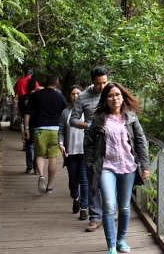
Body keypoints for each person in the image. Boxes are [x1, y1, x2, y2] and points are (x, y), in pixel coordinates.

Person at [84, 82, 150, 254]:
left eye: (118, 95)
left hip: (128, 166)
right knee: (108, 205)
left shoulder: (131, 117)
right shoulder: (98, 119)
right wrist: (91, 164)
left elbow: (141, 142)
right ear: (106, 99)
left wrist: (145, 166)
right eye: (111, 95)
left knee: (125, 207)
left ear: (123, 97)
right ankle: (111, 245)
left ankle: (121, 240)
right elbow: (89, 144)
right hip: (106, 166)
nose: (115, 98)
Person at [70, 66, 108, 232]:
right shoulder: (83, 97)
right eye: (99, 83)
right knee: (92, 180)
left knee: (110, 176)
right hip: (92, 143)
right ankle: (95, 218)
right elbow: (73, 120)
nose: (102, 87)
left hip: (111, 143)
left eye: (105, 82)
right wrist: (89, 125)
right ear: (92, 81)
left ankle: (110, 211)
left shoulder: (111, 91)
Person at [23, 75, 67, 194]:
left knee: (39, 155)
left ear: (45, 82)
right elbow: (65, 115)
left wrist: (26, 128)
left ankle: (41, 175)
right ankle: (49, 185)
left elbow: (27, 113)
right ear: (57, 84)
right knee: (53, 157)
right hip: (55, 130)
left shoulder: (36, 95)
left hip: (39, 129)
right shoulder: (60, 97)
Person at [58, 85, 89, 220]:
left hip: (84, 151)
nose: (75, 96)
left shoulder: (87, 112)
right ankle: (75, 198)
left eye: (78, 93)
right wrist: (61, 144)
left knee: (84, 179)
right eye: (73, 94)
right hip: (70, 152)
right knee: (73, 181)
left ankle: (83, 208)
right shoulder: (66, 112)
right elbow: (61, 130)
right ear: (69, 96)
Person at [18, 78, 38, 174]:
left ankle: (29, 164)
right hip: (37, 123)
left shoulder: (22, 98)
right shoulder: (38, 97)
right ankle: (36, 167)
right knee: (37, 145)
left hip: (27, 124)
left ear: (26, 87)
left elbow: (21, 111)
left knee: (28, 144)